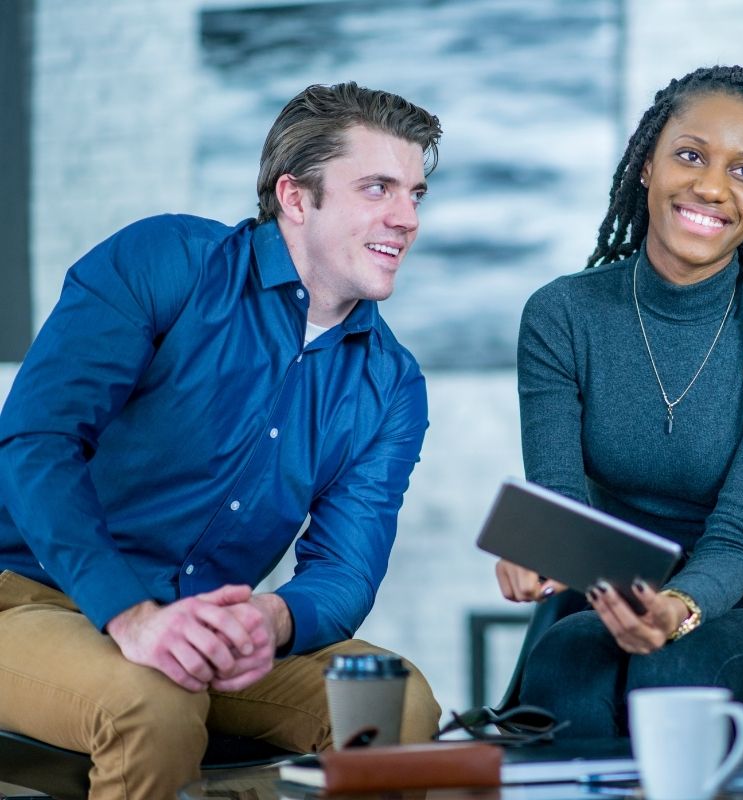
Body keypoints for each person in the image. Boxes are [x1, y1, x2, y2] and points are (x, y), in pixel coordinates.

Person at [0, 82, 444, 799]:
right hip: (30, 599)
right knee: (151, 704)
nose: (407, 218)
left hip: (203, 623)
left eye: (416, 193)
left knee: (394, 703)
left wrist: (272, 619)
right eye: (377, 188)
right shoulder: (166, 261)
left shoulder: (391, 384)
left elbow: (347, 569)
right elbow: (36, 440)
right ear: (296, 198)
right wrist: (131, 614)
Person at [495, 64, 743, 738]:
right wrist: (538, 549)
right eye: (690, 156)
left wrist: (678, 608)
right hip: (614, 597)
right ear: (648, 166)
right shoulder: (562, 315)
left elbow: (741, 536)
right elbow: (559, 501)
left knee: (674, 673)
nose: (712, 187)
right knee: (565, 663)